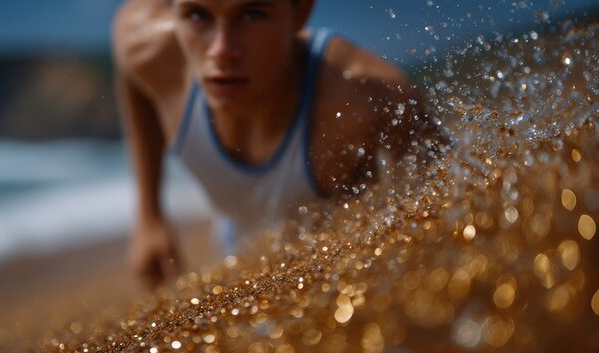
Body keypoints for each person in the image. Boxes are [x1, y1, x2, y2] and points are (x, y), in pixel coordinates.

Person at [112, 0, 446, 286]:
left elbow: (449, 209)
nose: (222, 51)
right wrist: (149, 215)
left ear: (300, 11)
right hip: (236, 240)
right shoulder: (149, 47)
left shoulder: (364, 102)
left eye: (252, 14)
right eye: (198, 15)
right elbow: (133, 72)